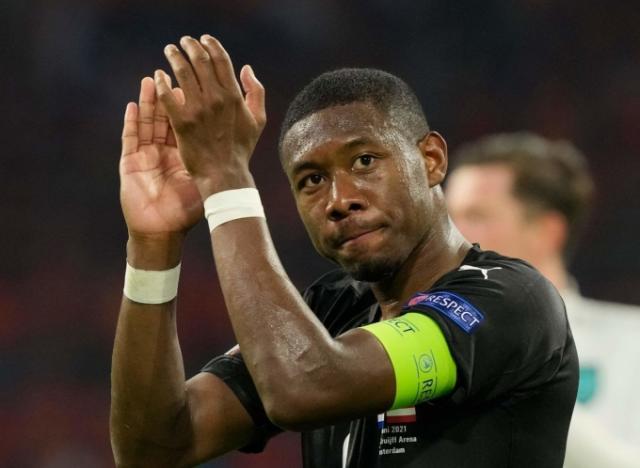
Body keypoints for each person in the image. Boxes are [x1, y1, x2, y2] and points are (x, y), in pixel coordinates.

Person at [110, 35, 578, 468]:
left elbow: (305, 389)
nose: (339, 200)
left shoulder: (508, 299)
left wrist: (225, 180)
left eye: (364, 161)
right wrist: (154, 245)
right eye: (312, 180)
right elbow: (153, 448)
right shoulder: (331, 311)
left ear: (431, 160)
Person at [445, 132, 640, 468]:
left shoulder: (631, 344)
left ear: (546, 231)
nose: (450, 234)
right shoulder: (427, 349)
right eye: (447, 217)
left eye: (476, 216)